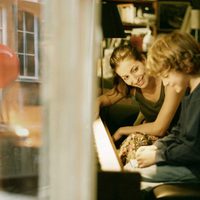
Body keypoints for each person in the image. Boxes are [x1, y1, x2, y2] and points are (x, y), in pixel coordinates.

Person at [125, 31, 200, 189]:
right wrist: (157, 146)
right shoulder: (188, 92)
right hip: (184, 161)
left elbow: (194, 150)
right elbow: (179, 132)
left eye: (166, 76)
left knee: (129, 177)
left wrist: (159, 156)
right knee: (131, 169)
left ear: (185, 64)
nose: (165, 83)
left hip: (194, 168)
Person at [97, 44, 185, 164]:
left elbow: (160, 128)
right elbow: (105, 99)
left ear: (143, 60)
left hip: (182, 138)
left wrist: (122, 130)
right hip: (160, 137)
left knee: (133, 144)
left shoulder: (169, 80)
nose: (134, 79)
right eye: (126, 77)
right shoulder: (131, 86)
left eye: (135, 69)